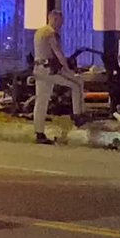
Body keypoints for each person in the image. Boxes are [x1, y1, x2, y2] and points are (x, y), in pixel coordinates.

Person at [33, 9, 85, 144]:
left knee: (41, 101)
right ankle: (78, 115)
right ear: (54, 19)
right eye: (60, 21)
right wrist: (68, 69)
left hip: (39, 69)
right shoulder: (51, 33)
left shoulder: (39, 32)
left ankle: (39, 133)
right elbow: (58, 53)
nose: (61, 24)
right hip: (49, 70)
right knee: (76, 84)